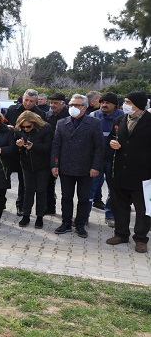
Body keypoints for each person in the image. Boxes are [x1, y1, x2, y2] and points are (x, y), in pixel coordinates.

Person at [50, 93, 104, 238]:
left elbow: (99, 147)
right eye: (71, 105)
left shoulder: (94, 123)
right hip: (66, 167)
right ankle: (66, 223)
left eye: (77, 105)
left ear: (85, 107)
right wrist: (54, 164)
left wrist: (95, 166)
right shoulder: (62, 123)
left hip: (86, 169)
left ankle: (80, 224)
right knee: (66, 197)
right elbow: (56, 145)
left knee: (84, 198)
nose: (73, 107)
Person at [105, 92, 151, 253]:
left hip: (143, 175)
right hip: (119, 173)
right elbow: (111, 138)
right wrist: (111, 142)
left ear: (138, 104)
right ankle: (121, 233)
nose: (124, 104)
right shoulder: (119, 120)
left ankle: (141, 238)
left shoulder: (149, 121)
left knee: (143, 209)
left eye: (128, 102)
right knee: (119, 207)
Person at [5, 89, 47, 216]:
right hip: (12, 149)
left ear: (36, 101)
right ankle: (2, 202)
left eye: (31, 101)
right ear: (22, 98)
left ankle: (22, 206)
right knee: (5, 176)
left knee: (24, 182)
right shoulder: (12, 110)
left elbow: (42, 133)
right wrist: (7, 127)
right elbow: (4, 123)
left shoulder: (41, 114)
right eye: (26, 100)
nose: (28, 103)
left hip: (29, 152)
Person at [88, 92, 123, 226]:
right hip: (96, 159)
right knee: (90, 187)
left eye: (107, 103)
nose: (104, 105)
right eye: (102, 102)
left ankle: (110, 215)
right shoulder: (94, 116)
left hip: (114, 160)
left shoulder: (122, 117)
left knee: (113, 188)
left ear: (115, 104)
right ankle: (84, 215)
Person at [14, 111, 53, 229]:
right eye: (23, 127)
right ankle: (26, 215)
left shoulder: (45, 128)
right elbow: (16, 149)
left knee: (41, 190)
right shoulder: (18, 130)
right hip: (26, 165)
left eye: (28, 126)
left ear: (34, 123)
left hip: (42, 165)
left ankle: (40, 216)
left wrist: (33, 146)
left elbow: (49, 147)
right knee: (28, 190)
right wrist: (19, 146)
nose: (25, 129)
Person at [44, 93, 68, 215]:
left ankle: (67, 213)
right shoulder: (46, 116)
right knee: (48, 182)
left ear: (63, 104)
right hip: (49, 153)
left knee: (67, 187)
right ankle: (50, 207)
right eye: (51, 103)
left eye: (56, 103)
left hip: (65, 153)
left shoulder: (69, 116)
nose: (52, 105)